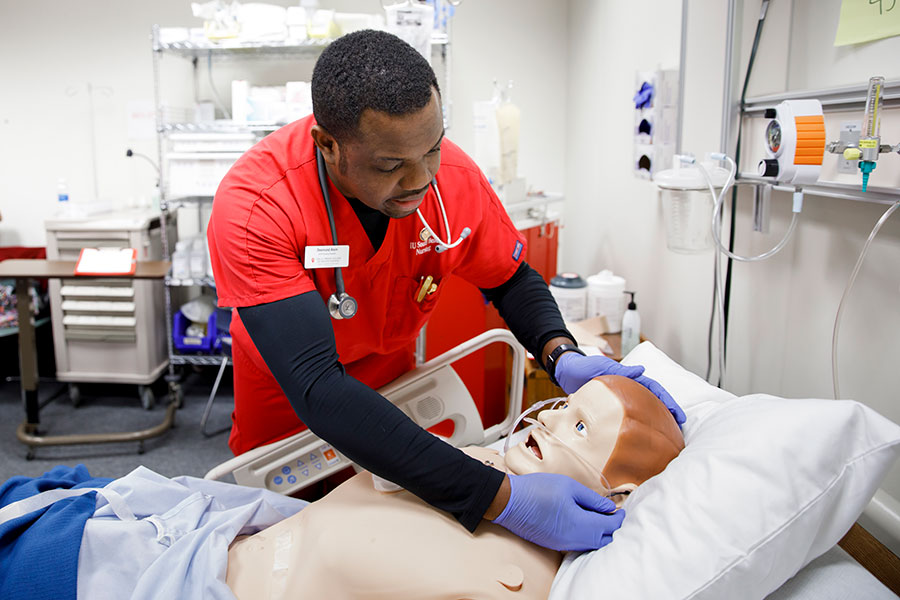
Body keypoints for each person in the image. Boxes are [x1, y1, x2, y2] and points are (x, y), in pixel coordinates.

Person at [207, 28, 686, 552]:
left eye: (432, 149)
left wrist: (559, 351)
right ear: (329, 145)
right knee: (276, 548)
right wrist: (504, 499)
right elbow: (317, 389)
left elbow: (511, 277)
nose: (421, 179)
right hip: (289, 399)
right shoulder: (258, 207)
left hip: (393, 388)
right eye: (391, 165)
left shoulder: (451, 177)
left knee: (383, 541)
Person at [224, 375, 685, 599]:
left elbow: (510, 277)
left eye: (580, 426)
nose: (546, 415)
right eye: (563, 405)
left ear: (617, 494)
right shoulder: (483, 460)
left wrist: (555, 344)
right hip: (221, 539)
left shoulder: (517, 578)